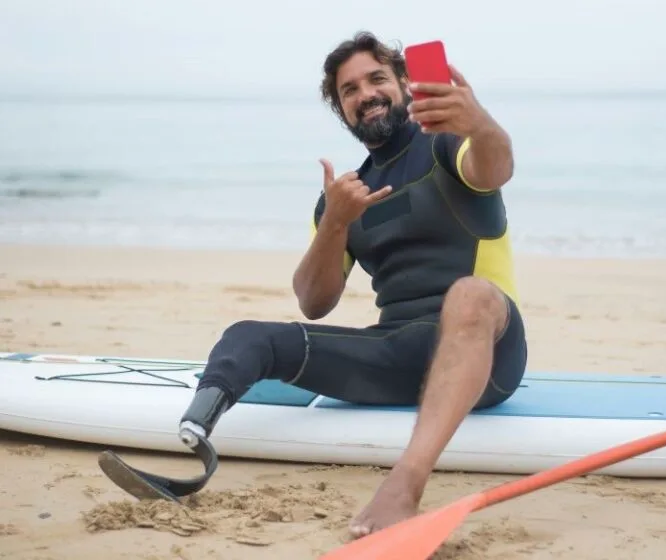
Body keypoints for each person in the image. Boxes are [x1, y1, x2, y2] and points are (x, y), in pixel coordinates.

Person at [178, 30, 528, 538]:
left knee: (468, 294)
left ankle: (404, 485)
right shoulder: (342, 196)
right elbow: (314, 301)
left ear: (406, 84)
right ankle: (194, 430)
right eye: (348, 90)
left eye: (376, 78)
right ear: (342, 110)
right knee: (247, 336)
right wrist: (335, 224)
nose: (364, 94)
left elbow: (496, 168)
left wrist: (480, 122)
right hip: (400, 354)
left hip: (488, 349)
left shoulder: (449, 145)